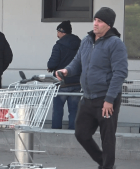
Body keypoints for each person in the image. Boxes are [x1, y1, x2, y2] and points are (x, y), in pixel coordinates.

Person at [56, 7, 128, 169]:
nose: (95, 23)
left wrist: (109, 100)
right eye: (95, 19)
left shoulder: (115, 44)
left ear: (108, 25)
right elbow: (77, 62)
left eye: (100, 21)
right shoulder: (87, 40)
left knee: (107, 138)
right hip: (87, 97)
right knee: (81, 134)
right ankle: (105, 163)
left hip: (106, 99)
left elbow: (120, 73)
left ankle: (107, 166)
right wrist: (66, 70)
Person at [47, 20, 81, 130]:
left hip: (61, 83)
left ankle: (56, 133)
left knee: (57, 110)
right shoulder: (80, 44)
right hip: (77, 82)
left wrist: (51, 67)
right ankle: (73, 133)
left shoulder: (59, 45)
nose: (57, 34)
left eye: (58, 31)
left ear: (62, 32)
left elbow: (52, 63)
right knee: (74, 111)